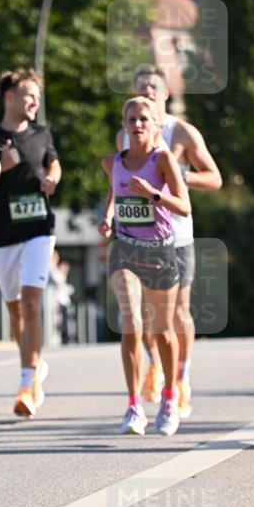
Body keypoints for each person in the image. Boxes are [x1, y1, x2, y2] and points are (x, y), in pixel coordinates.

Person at [111, 66, 222, 418]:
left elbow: (216, 178)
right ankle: (156, 365)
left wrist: (177, 173)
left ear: (165, 94)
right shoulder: (126, 135)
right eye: (141, 87)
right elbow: (119, 179)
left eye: (154, 88)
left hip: (177, 233)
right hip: (138, 237)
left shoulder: (182, 132)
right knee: (141, 314)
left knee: (176, 313)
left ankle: (182, 378)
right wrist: (110, 213)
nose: (148, 92)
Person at [101, 96, 191, 436]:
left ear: (156, 126)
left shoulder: (163, 158)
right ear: (124, 125)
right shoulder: (114, 162)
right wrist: (106, 217)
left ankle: (169, 397)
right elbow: (114, 192)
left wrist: (153, 193)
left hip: (159, 253)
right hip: (125, 250)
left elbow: (184, 207)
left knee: (162, 333)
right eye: (131, 119)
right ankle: (134, 405)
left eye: (144, 119)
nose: (137, 125)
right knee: (131, 325)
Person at [0, 68, 62, 417]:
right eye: (29, 94)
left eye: (38, 97)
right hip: (3, 235)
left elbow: (54, 164)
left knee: (32, 304)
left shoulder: (41, 133)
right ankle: (33, 365)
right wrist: (1, 165)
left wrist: (51, 180)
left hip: (38, 230)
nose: (35, 101)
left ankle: (27, 383)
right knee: (15, 310)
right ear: (10, 97)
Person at [48, 250, 74, 345]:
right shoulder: (52, 269)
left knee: (63, 322)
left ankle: (63, 339)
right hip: (57, 301)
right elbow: (59, 281)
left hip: (60, 301)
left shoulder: (53, 269)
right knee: (61, 323)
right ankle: (62, 340)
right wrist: (63, 273)